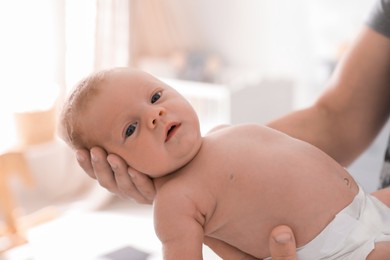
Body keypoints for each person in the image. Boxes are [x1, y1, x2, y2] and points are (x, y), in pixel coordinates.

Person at [74, 0, 390, 258]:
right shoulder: (174, 202)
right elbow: (335, 118)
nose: (154, 115)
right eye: (130, 129)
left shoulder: (222, 132)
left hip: (369, 204)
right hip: (339, 250)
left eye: (156, 96)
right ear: (120, 166)